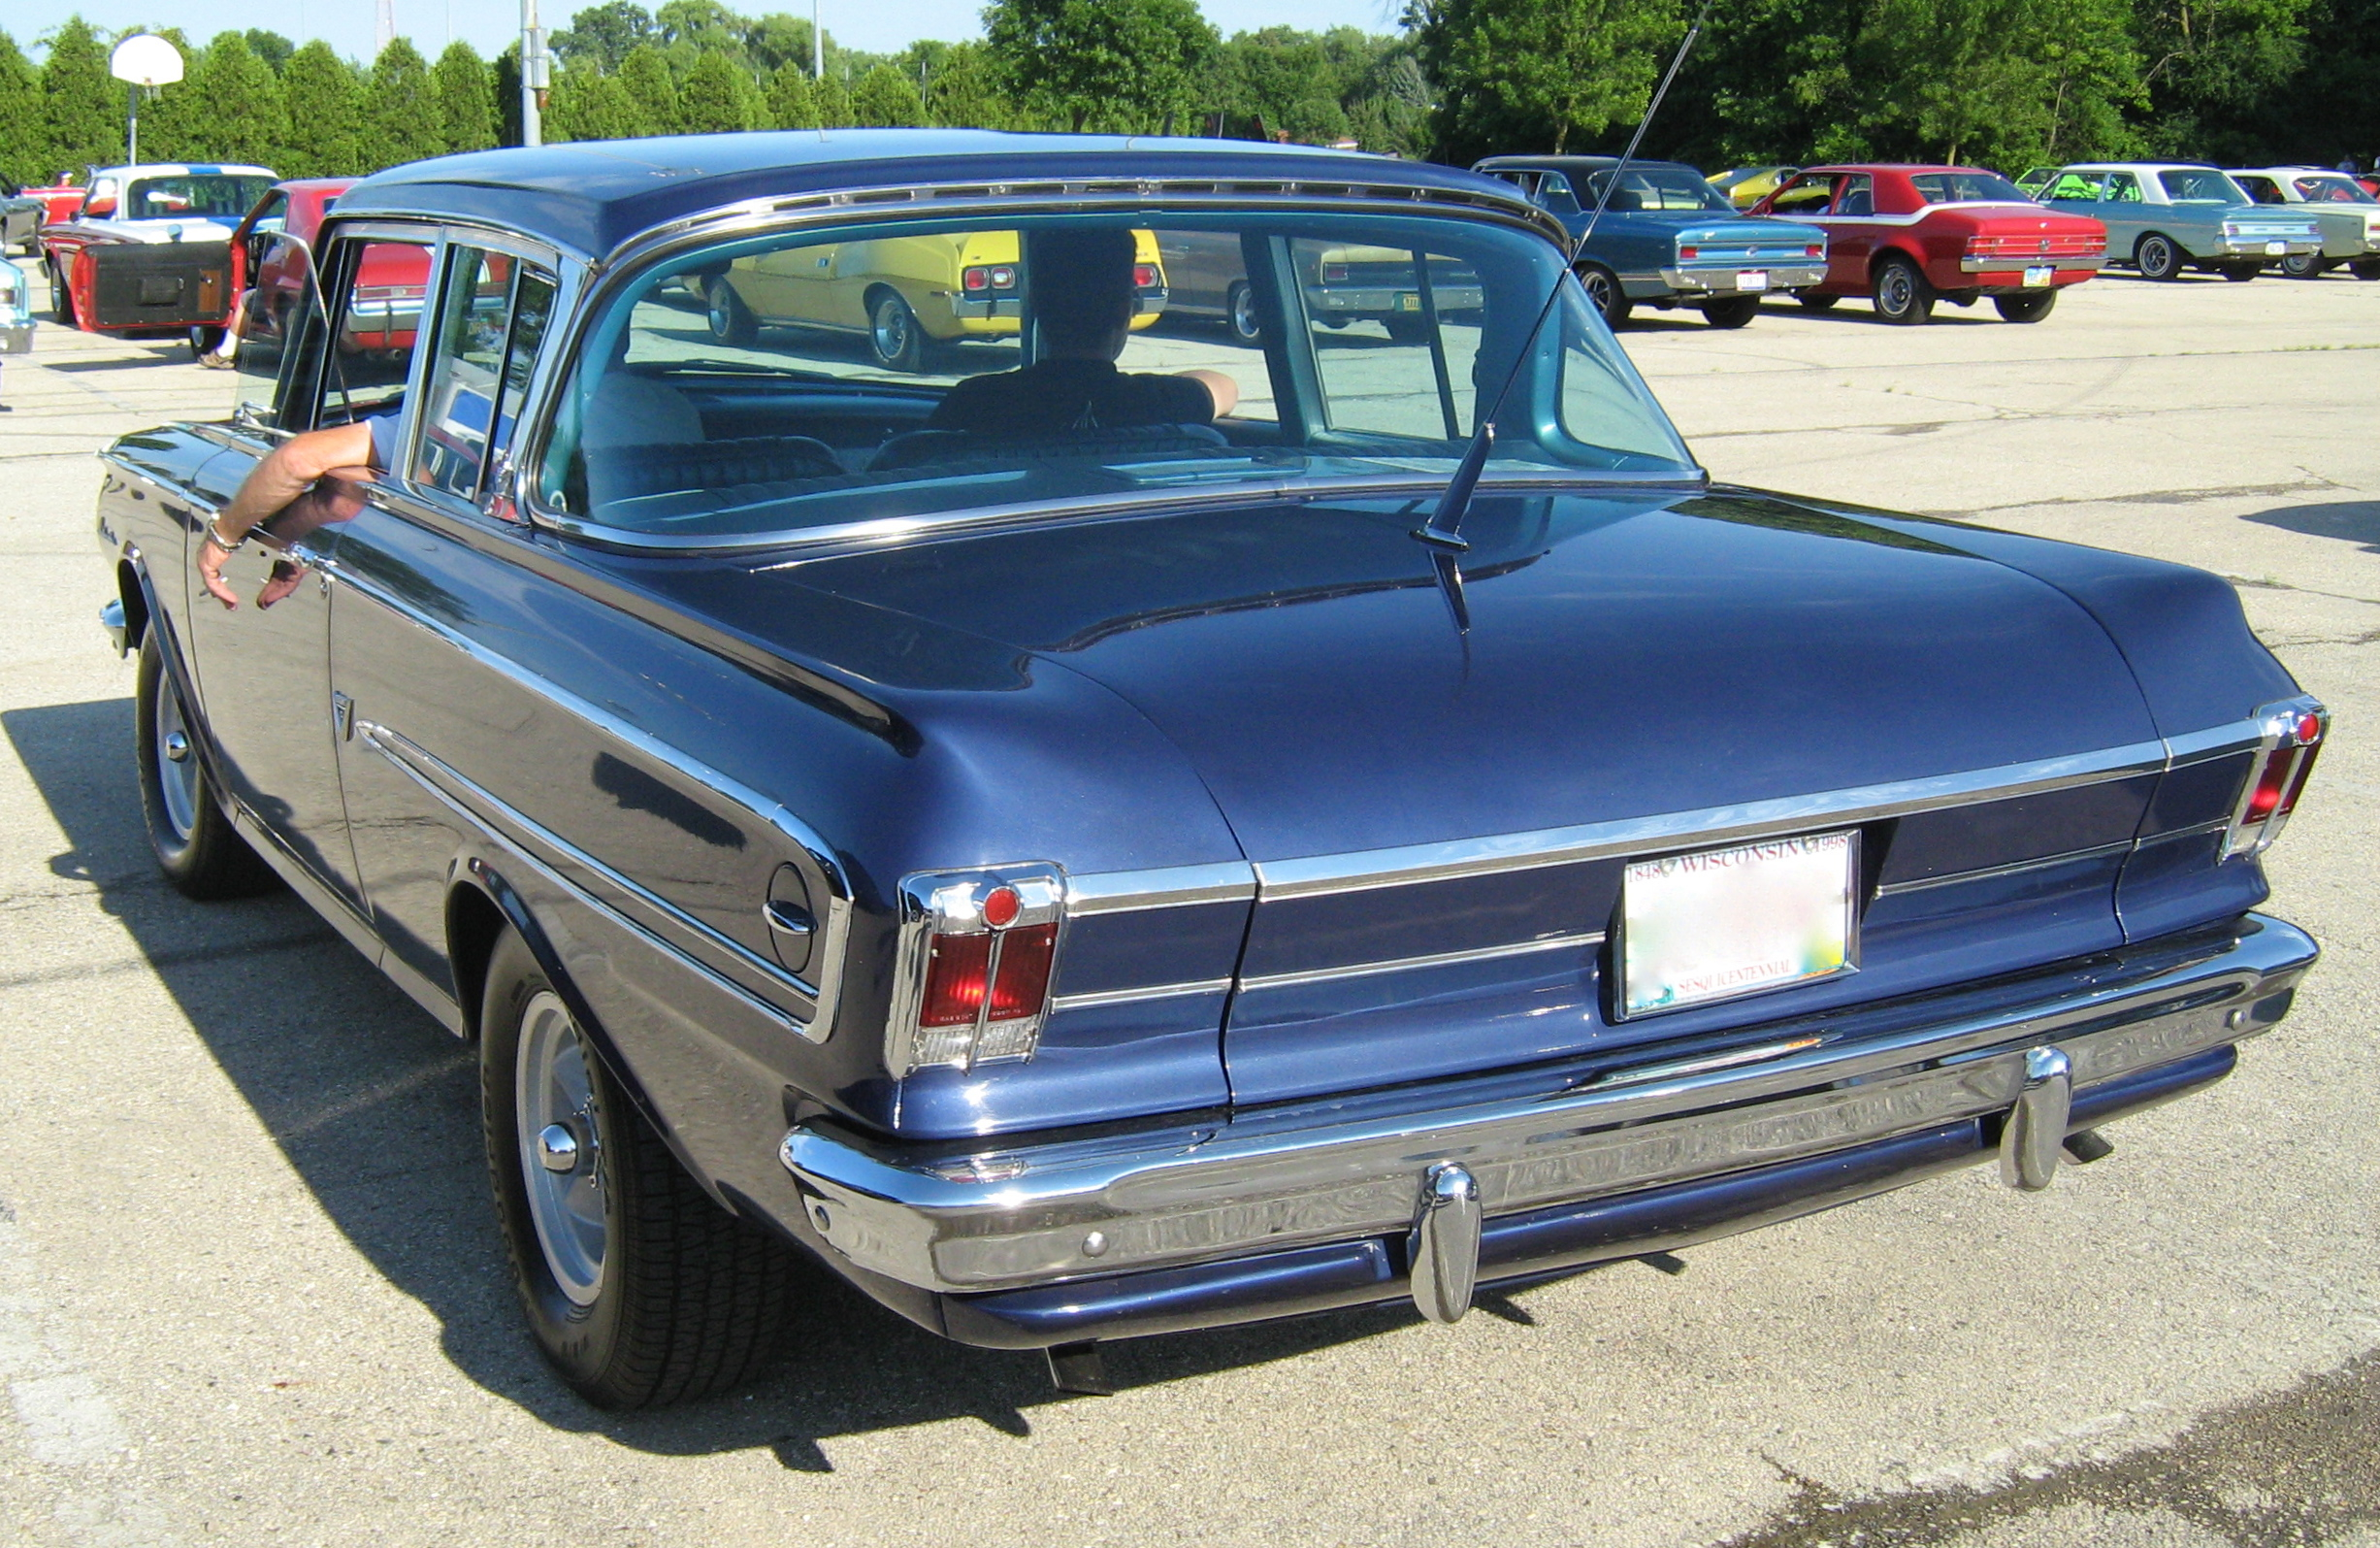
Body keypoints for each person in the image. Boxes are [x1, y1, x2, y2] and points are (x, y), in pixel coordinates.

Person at [928, 227, 1238, 435]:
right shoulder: (1161, 403)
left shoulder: (974, 404)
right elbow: (1224, 387)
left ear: (1034, 304)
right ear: (1124, 311)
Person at [197, 412, 393, 609]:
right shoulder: (415, 438)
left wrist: (221, 537)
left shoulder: (412, 424)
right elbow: (344, 506)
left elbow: (298, 460)